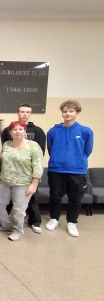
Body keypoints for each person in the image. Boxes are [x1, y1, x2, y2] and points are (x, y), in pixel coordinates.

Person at [45, 100, 94, 237]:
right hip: (56, 170)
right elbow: (51, 149)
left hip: (77, 171)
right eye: (65, 111)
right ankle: (54, 218)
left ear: (77, 113)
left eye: (71, 111)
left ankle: (72, 222)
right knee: (55, 196)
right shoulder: (53, 131)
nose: (67, 113)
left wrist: (77, 160)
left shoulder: (85, 131)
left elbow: (87, 150)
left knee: (75, 199)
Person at [0, 121, 43, 241]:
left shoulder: (33, 146)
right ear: (10, 132)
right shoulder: (6, 144)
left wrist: (34, 185)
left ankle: (17, 230)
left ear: (25, 131)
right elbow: (1, 162)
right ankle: (5, 225)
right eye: (14, 130)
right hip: (5, 180)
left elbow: (38, 166)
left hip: (23, 183)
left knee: (18, 209)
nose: (18, 132)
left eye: (21, 129)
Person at [1, 103, 46, 234]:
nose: (24, 114)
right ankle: (7, 224)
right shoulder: (7, 136)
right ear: (18, 113)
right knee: (4, 202)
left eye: (27, 112)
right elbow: (2, 152)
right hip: (7, 178)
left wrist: (34, 182)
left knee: (29, 201)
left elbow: (39, 158)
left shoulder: (37, 133)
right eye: (22, 111)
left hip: (26, 178)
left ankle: (34, 222)